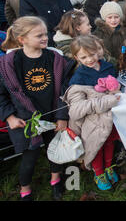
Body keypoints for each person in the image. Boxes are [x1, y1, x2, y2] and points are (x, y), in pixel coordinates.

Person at [0, 16, 76, 201]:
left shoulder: (55, 59)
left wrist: (61, 115)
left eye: (45, 34)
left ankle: (56, 180)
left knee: (56, 150)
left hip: (52, 116)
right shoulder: (9, 63)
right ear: (22, 39)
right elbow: (2, 95)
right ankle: (25, 190)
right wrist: (9, 116)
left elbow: (64, 89)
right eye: (38, 35)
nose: (45, 38)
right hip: (24, 119)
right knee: (29, 158)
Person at [64, 35, 120, 191]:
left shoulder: (108, 66)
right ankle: (99, 173)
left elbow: (116, 84)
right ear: (76, 57)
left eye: (92, 54)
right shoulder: (79, 77)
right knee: (96, 145)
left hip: (110, 115)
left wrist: (115, 88)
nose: (89, 59)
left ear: (98, 51)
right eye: (84, 57)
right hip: (93, 120)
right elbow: (76, 109)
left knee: (109, 141)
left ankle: (109, 166)